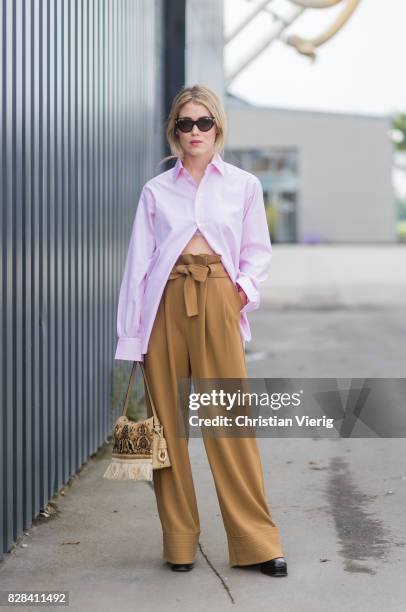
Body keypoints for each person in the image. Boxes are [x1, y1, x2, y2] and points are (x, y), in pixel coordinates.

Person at [114, 84, 287, 577]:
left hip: (217, 298)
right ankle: (180, 541)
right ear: (175, 130)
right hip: (164, 304)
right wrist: (132, 335)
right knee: (165, 430)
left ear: (218, 127)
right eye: (185, 123)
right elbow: (137, 267)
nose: (194, 131)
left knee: (230, 424)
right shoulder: (156, 190)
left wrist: (239, 293)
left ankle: (256, 542)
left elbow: (258, 252)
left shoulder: (243, 185)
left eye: (203, 122)